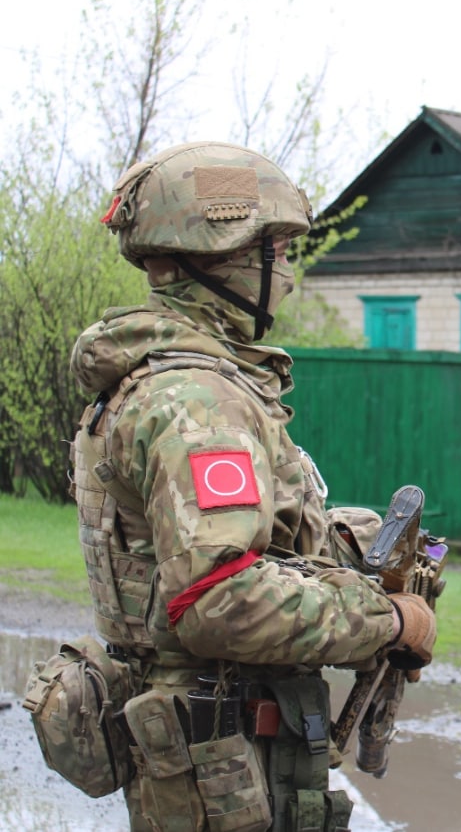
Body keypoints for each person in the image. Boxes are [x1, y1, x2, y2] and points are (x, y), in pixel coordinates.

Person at [69, 141, 436, 831]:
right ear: (233, 253)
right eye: (281, 254)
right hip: (227, 765)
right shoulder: (198, 401)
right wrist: (385, 621)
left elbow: (208, 550)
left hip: (209, 756)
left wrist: (347, 545)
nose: (290, 277)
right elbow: (218, 598)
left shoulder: (156, 379)